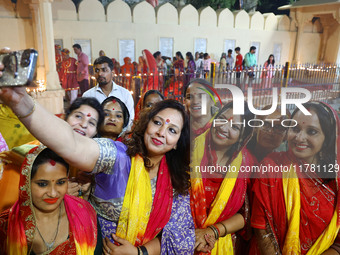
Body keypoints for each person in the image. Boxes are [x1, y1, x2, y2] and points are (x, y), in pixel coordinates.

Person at [0, 73, 195, 254]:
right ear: (146, 124)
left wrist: (138, 252)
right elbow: (72, 144)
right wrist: (20, 101)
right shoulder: (118, 157)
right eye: (158, 122)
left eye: (172, 130)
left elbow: (175, 234)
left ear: (178, 142)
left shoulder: (176, 181)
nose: (161, 132)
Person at [251, 102, 340, 255]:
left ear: (328, 138)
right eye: (295, 129)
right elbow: (261, 227)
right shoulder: (272, 166)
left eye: (311, 131)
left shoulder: (336, 179)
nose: (299, 138)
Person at [0, 97, 104, 212]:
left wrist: (82, 193)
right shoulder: (26, 155)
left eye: (91, 123)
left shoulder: (85, 167)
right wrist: (59, 193)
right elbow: (8, 211)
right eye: (78, 116)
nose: (83, 124)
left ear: (95, 133)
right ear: (64, 119)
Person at [0, 146, 101, 254]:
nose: (53, 193)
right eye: (42, 184)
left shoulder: (84, 214)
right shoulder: (5, 225)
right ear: (26, 183)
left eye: (61, 182)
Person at [190, 101, 256, 254]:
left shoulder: (247, 164)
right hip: (181, 238)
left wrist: (212, 232)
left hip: (219, 244)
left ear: (243, 135)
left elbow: (245, 215)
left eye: (235, 127)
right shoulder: (189, 149)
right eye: (222, 119)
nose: (223, 128)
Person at [82, 56, 135, 127]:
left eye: (104, 70)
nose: (100, 74)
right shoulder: (88, 95)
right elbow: (86, 119)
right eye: (97, 70)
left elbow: (130, 120)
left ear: (112, 73)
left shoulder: (125, 94)